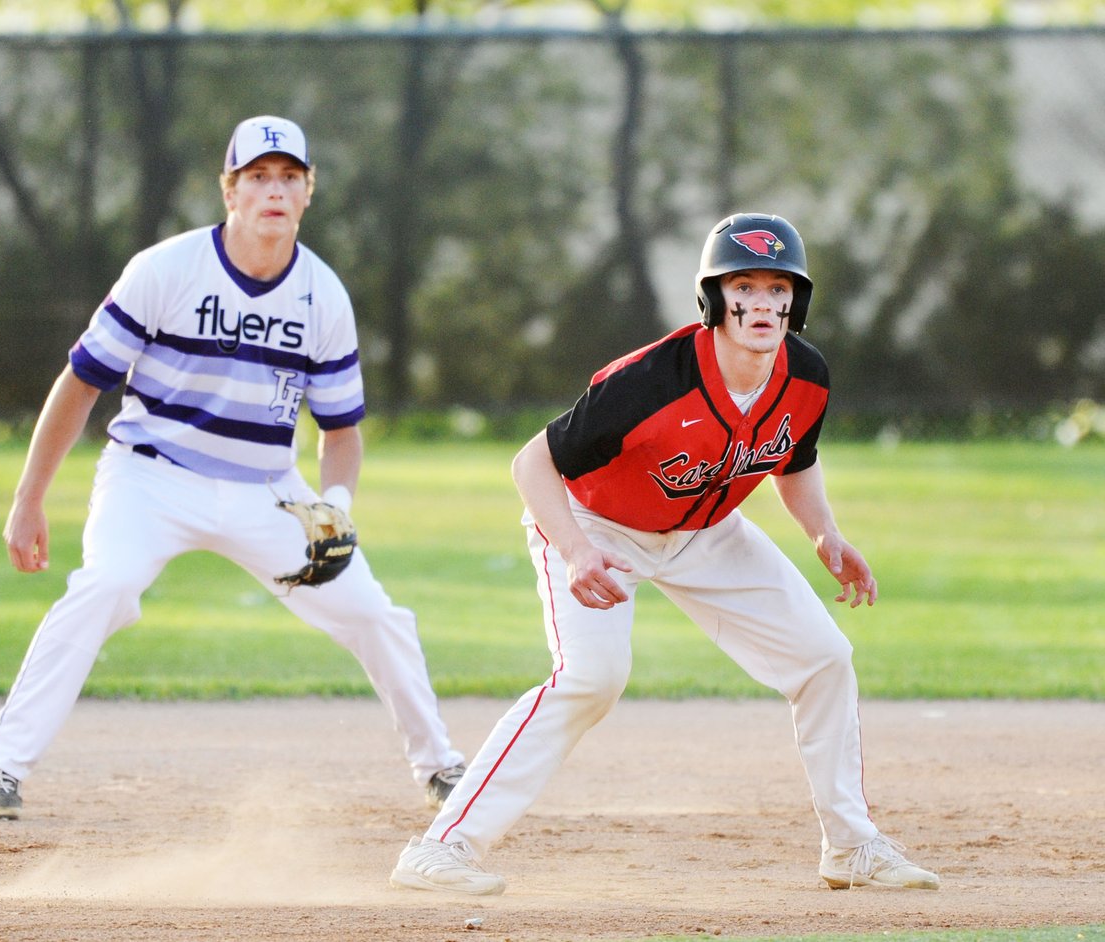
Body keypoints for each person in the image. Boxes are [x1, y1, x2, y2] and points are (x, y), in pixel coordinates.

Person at [389, 212, 940, 894]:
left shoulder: (807, 375)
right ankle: (444, 847)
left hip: (708, 534)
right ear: (713, 298)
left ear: (797, 300)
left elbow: (792, 457)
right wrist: (575, 550)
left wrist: (824, 532)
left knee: (825, 659)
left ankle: (852, 848)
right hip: (601, 527)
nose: (763, 303)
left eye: (778, 287)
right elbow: (532, 463)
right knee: (592, 679)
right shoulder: (651, 380)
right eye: (745, 285)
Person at [0, 115, 465, 820]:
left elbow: (342, 430)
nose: (275, 190)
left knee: (372, 613)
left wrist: (336, 503)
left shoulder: (323, 296)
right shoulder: (166, 269)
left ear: (309, 192)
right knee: (105, 586)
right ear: (230, 191)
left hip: (268, 490)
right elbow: (80, 383)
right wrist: (28, 499)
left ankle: (441, 766)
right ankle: (1, 766)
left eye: (290, 177)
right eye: (258, 176)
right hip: (152, 476)